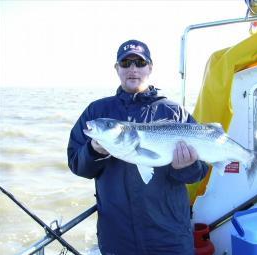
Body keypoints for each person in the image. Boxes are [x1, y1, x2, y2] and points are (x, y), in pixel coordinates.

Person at [67, 39, 209, 255]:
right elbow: (77, 164)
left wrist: (187, 166)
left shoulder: (174, 111)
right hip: (117, 238)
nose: (132, 69)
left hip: (169, 236)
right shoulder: (96, 112)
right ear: (117, 69)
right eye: (125, 63)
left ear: (150, 68)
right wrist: (93, 151)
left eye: (139, 63)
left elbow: (199, 172)